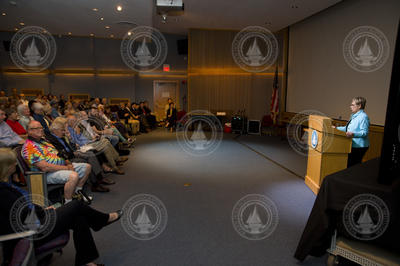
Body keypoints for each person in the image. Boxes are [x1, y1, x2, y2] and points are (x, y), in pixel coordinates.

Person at [0, 147, 123, 266]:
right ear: (5, 167)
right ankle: (102, 220)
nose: (15, 165)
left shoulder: (5, 184)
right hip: (30, 233)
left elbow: (23, 208)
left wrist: (42, 210)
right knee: (76, 206)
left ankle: (86, 261)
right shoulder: (3, 192)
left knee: (78, 218)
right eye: (12, 163)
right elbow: (23, 215)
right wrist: (43, 213)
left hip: (35, 221)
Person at [22, 121, 91, 203]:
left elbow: (59, 153)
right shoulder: (29, 147)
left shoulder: (43, 141)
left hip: (60, 168)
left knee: (87, 167)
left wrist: (68, 163)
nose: (40, 130)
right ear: (29, 131)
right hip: (45, 174)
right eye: (36, 128)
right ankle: (69, 202)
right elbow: (44, 167)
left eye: (41, 128)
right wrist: (67, 168)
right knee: (73, 176)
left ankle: (77, 192)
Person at [45, 118, 115, 193]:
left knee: (91, 153)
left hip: (72, 153)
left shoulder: (59, 136)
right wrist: (71, 147)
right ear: (55, 130)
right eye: (62, 130)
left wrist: (69, 139)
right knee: (86, 160)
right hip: (67, 158)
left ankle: (99, 178)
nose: (64, 132)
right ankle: (95, 184)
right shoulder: (51, 139)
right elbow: (61, 153)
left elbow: (71, 147)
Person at [334, 96, 370, 167]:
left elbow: (365, 133)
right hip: (352, 144)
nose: (350, 106)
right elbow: (347, 128)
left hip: (359, 146)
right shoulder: (354, 115)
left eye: (352, 105)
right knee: (350, 165)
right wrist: (336, 128)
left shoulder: (363, 117)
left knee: (353, 165)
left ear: (359, 106)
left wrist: (353, 134)